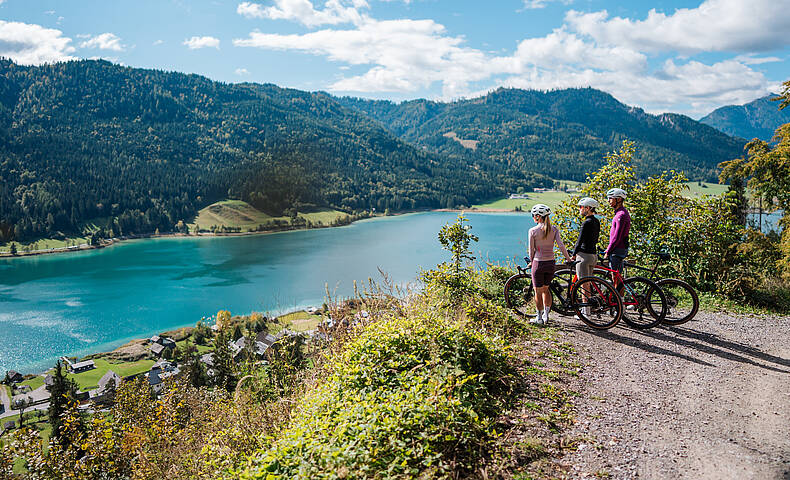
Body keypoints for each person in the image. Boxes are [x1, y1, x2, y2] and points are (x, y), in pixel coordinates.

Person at [528, 204, 570, 325]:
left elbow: (531, 250)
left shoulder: (533, 231)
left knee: (538, 292)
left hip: (538, 263)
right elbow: (561, 246)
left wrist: (531, 262)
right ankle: (546, 316)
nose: (533, 218)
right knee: (546, 290)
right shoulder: (555, 229)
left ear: (537, 216)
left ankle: (539, 318)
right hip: (551, 263)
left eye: (533, 216)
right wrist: (567, 258)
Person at [571, 197, 600, 317]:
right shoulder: (596, 221)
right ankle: (587, 310)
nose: (580, 209)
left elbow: (579, 240)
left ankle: (585, 312)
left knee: (583, 284)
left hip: (583, 256)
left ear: (588, 208)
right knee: (588, 282)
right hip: (593, 255)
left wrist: (573, 254)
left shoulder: (586, 222)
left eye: (581, 207)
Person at [603, 188, 630, 289]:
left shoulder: (621, 215)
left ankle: (620, 301)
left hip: (617, 249)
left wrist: (608, 250)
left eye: (611, 198)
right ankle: (619, 300)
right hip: (617, 249)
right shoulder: (619, 213)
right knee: (616, 276)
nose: (609, 200)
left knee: (616, 277)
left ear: (618, 199)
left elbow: (617, 236)